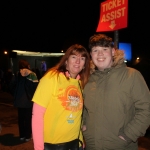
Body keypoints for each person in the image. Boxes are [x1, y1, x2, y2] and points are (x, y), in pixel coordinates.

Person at [82, 34, 150, 150]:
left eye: (105, 49)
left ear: (113, 52)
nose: (100, 54)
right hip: (92, 145)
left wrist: (128, 135)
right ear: (91, 55)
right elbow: (82, 108)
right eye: (95, 50)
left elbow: (146, 109)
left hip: (121, 146)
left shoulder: (131, 76)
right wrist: (83, 126)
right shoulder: (88, 79)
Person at [32, 44, 90, 150]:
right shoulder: (52, 78)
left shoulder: (80, 83)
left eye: (82, 58)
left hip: (75, 143)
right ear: (66, 60)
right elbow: (37, 115)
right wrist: (39, 147)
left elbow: (77, 114)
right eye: (74, 57)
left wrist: (81, 141)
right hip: (53, 144)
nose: (78, 61)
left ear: (85, 64)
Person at [9, 59, 38, 142]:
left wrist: (15, 94)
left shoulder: (17, 74)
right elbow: (36, 87)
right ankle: (28, 136)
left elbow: (11, 85)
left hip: (19, 101)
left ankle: (22, 136)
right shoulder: (32, 74)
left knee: (21, 119)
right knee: (28, 119)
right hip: (29, 101)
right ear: (27, 66)